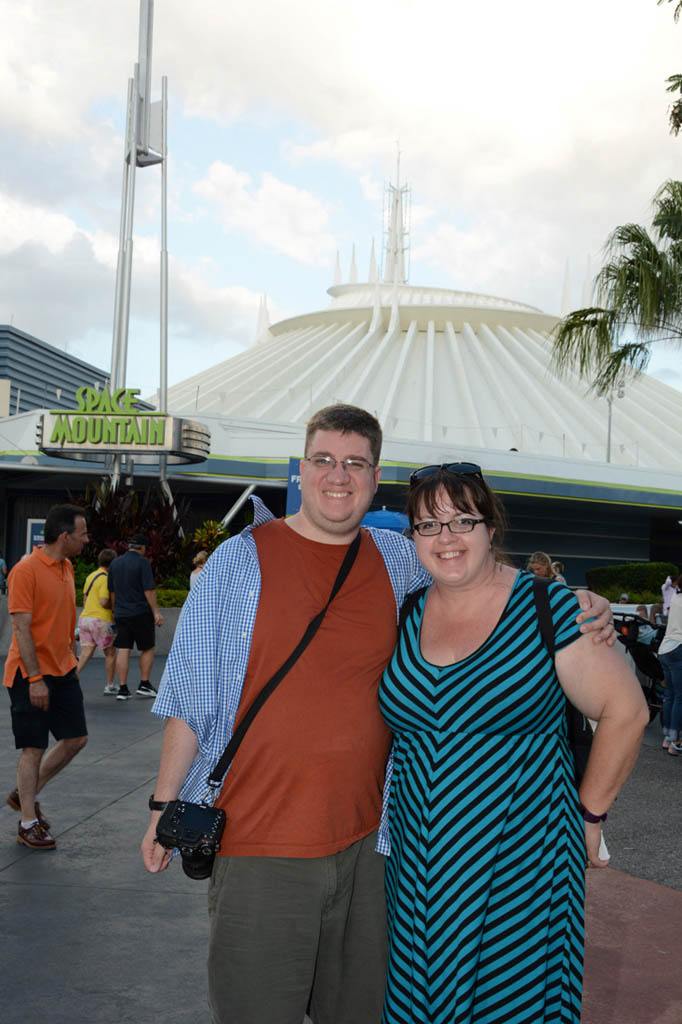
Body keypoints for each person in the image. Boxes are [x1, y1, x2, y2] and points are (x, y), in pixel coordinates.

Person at [140, 405, 616, 1024]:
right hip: (258, 844)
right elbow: (190, 700)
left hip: (376, 850)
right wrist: (161, 806)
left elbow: (474, 579)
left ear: (373, 475)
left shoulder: (397, 560)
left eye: (355, 463)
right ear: (303, 469)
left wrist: (575, 600)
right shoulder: (236, 565)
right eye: (324, 460)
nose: (338, 475)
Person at [378, 465, 648, 1024]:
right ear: (413, 538)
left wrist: (589, 816)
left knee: (512, 1005)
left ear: (490, 527)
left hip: (519, 865)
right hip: (417, 867)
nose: (446, 538)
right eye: (428, 525)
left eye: (462, 521)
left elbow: (626, 711)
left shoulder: (549, 608)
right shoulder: (407, 611)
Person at [3, 504, 90, 850]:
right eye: (82, 533)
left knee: (76, 739)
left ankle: (26, 793)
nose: (87, 539)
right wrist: (35, 678)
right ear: (65, 536)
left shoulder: (67, 566)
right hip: (30, 674)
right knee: (33, 748)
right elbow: (21, 628)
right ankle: (28, 822)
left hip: (63, 668)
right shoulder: (26, 570)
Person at [108, 534, 163, 701]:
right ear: (142, 548)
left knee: (123, 648)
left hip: (121, 613)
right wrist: (156, 612)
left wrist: (114, 612)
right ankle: (144, 684)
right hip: (141, 613)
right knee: (147, 648)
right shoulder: (143, 562)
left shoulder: (115, 563)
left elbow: (112, 591)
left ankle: (123, 688)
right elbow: (149, 590)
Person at [77, 548, 118, 695]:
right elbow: (103, 601)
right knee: (111, 652)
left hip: (85, 619)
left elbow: (85, 598)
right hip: (100, 620)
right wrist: (113, 608)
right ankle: (110, 685)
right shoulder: (106, 578)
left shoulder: (91, 576)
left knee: (85, 653)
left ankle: (72, 677)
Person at [658, 579, 682, 755]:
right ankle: (676, 742)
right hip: (679, 648)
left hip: (665, 649)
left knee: (670, 695)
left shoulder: (675, 597)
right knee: (680, 697)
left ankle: (667, 738)